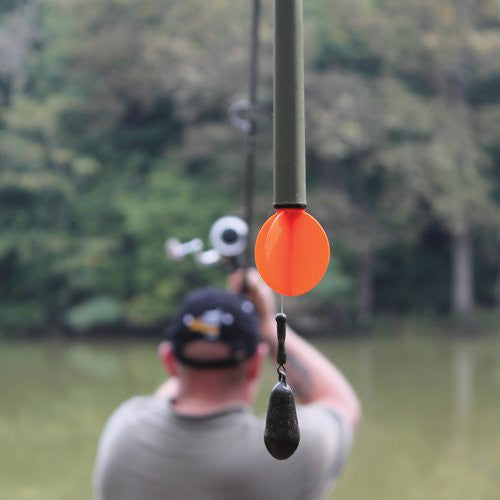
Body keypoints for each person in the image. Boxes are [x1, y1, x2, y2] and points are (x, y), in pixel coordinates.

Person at [93, 269, 361, 500]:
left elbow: (166, 398)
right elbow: (341, 403)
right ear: (256, 363)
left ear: (169, 362)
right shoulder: (295, 457)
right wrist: (268, 326)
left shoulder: (123, 432)